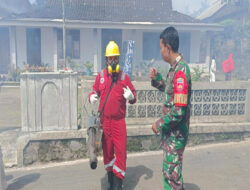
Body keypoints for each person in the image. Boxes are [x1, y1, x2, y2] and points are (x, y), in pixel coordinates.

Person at [89, 41, 136, 190]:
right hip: (104, 123)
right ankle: (111, 182)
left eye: (116, 58)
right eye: (110, 58)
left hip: (118, 122)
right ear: (106, 60)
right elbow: (94, 90)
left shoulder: (124, 77)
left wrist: (131, 97)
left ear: (119, 59)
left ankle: (118, 185)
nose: (113, 61)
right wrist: (91, 96)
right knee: (107, 152)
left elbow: (134, 96)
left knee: (121, 152)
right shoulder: (101, 76)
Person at [149, 27, 192, 190]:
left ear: (168, 47)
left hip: (176, 134)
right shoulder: (175, 69)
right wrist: (157, 79)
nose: (160, 52)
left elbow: (179, 111)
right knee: (169, 173)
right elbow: (170, 90)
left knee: (172, 177)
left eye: (161, 48)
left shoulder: (180, 72)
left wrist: (158, 124)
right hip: (172, 133)